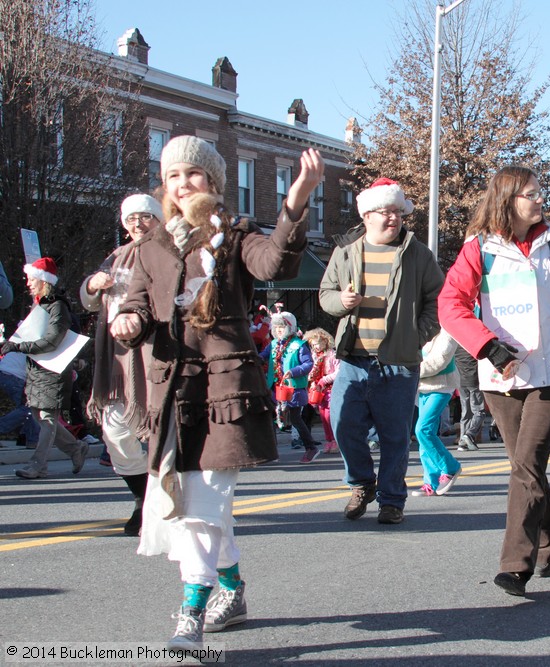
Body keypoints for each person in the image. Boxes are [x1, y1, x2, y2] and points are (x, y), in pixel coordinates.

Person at [109, 136, 324, 648]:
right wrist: (128, 318)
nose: (184, 184)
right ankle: (233, 587)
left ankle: (190, 614)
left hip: (228, 389)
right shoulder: (151, 247)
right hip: (175, 391)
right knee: (195, 501)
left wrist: (297, 199)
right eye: (174, 176)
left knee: (204, 501)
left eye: (195, 174)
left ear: (215, 182)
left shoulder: (235, 236)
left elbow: (276, 264)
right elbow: (138, 304)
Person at [439, 165, 550, 596]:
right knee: (525, 468)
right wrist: (487, 346)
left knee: (527, 465)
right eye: (531, 194)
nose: (540, 200)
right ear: (508, 199)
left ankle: (515, 565)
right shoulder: (479, 248)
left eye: (540, 193)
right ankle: (549, 539)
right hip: (502, 374)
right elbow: (450, 305)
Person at [318, 177, 444, 526]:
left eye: (398, 213)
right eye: (386, 212)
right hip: (354, 360)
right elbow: (326, 293)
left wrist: (418, 334)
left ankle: (391, 500)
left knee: (394, 435)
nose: (394, 219)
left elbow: (439, 300)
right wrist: (340, 302)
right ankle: (361, 484)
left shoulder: (418, 255)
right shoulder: (346, 252)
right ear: (367, 215)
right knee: (343, 425)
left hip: (399, 362)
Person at [80, 194, 163, 536]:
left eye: (144, 217)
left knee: (165, 437)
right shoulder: (115, 257)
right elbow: (87, 301)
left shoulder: (169, 253)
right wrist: (92, 284)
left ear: (157, 219)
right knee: (115, 432)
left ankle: (172, 508)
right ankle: (145, 500)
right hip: (117, 358)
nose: (137, 224)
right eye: (130, 219)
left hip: (156, 354)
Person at [4, 258, 90, 480]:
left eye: (32, 279)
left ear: (44, 281)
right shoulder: (42, 304)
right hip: (38, 369)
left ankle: (38, 466)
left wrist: (18, 346)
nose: (28, 283)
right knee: (38, 416)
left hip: (53, 370)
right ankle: (75, 449)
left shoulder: (57, 306)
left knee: (47, 419)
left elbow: (52, 341)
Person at [260, 311, 321, 464]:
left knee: (295, 419)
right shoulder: (273, 344)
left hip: (293, 388)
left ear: (289, 327)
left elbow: (308, 364)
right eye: (276, 327)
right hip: (275, 386)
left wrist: (293, 372)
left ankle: (311, 447)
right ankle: (271, 451)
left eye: (281, 326)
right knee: (271, 418)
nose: (279, 330)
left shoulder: (299, 345)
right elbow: (261, 356)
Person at [411, 329, 463, 496]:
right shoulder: (419, 327)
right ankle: (431, 482)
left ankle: (450, 467)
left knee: (422, 430)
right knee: (426, 434)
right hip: (422, 387)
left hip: (442, 386)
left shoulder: (448, 329)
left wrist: (410, 369)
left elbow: (440, 361)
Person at [303, 328, 339, 453]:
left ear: (325, 341)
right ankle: (329, 441)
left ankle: (336, 441)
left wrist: (324, 380)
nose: (315, 347)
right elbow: (312, 371)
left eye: (317, 343)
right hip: (319, 391)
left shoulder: (332, 355)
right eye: (313, 345)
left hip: (330, 389)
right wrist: (312, 380)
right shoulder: (315, 357)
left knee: (330, 416)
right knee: (323, 416)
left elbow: (338, 372)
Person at [0, 349, 40, 448]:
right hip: (15, 375)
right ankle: (32, 439)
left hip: (4, 372)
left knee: (30, 408)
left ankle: (32, 440)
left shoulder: (27, 341)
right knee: (29, 408)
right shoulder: (41, 345)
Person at [454, 345, 486, 451]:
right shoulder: (474, 346)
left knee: (466, 412)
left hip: (460, 382)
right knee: (479, 411)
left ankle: (462, 443)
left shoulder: (457, 346)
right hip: (475, 381)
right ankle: (470, 434)